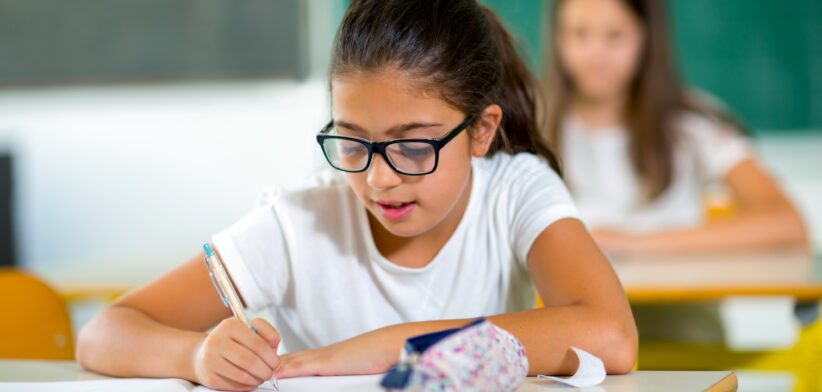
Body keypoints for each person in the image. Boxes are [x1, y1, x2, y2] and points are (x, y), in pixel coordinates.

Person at [76, 1, 637, 390]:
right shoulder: (298, 222)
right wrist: (195, 356)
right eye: (352, 142)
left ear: (481, 132)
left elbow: (611, 336)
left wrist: (385, 347)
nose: (378, 180)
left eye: (413, 146)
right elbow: (106, 331)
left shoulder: (515, 190)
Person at [541, 0, 807, 255]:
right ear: (558, 35)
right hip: (578, 302)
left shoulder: (693, 123)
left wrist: (629, 243)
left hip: (681, 300)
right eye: (579, 33)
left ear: (647, 37)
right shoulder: (532, 123)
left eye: (615, 35)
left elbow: (788, 225)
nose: (595, 52)